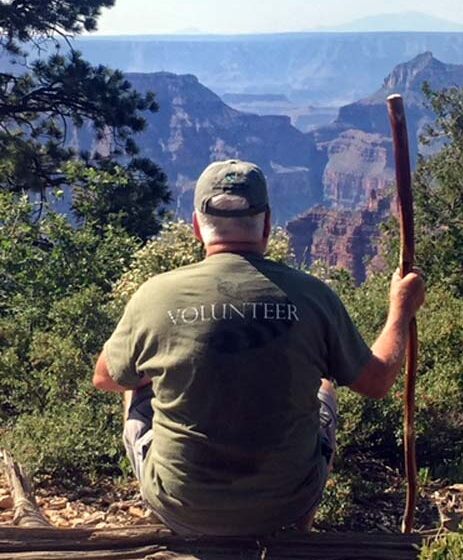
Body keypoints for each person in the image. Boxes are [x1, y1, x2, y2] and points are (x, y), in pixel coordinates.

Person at [92, 160, 425, 536]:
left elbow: (105, 377)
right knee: (326, 389)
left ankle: (176, 516)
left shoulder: (154, 295)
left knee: (134, 380)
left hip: (183, 508)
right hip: (286, 505)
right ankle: (298, 528)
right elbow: (378, 381)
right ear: (267, 224)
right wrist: (401, 310)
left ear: (197, 227)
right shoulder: (314, 296)